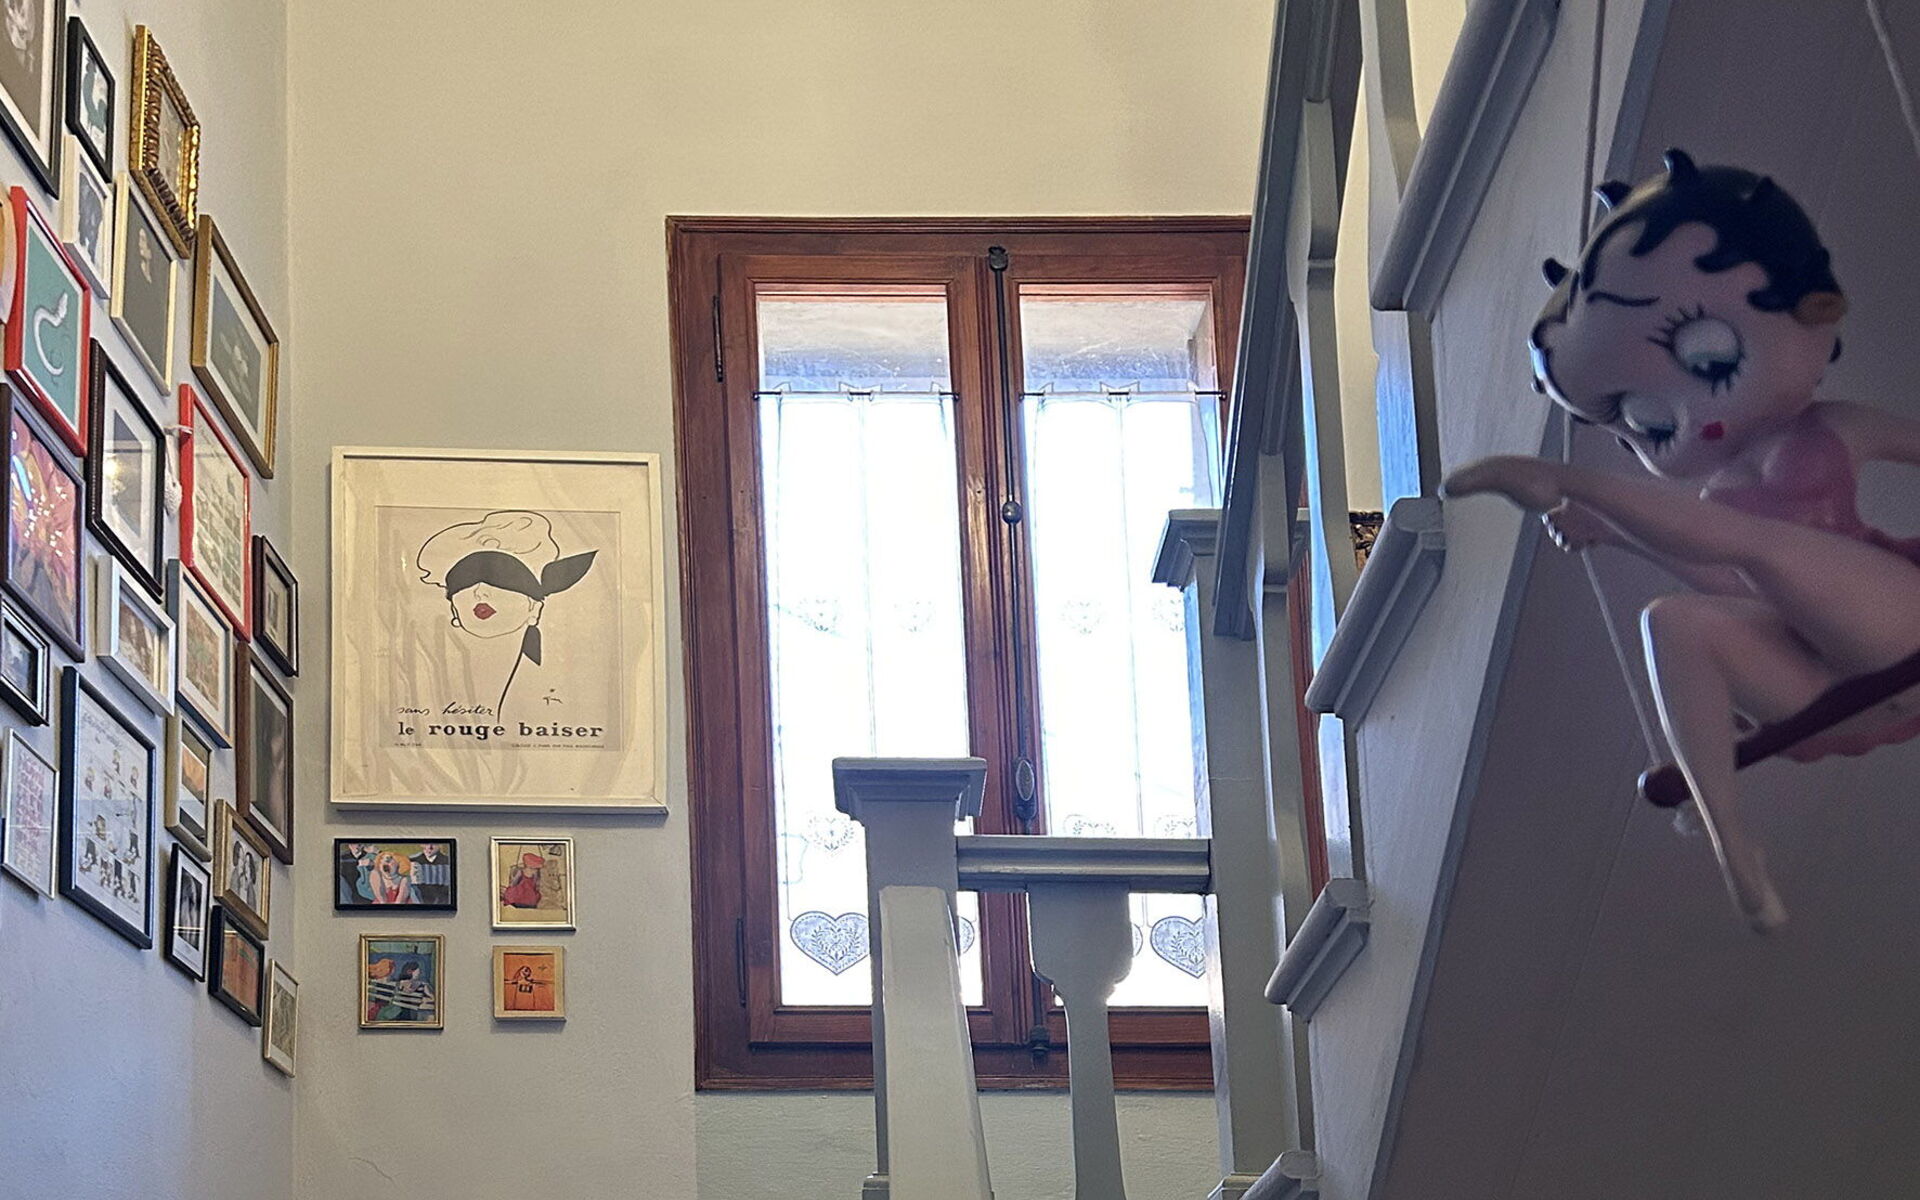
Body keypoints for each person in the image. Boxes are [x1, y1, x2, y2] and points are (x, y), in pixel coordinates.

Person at [1446, 150, 1920, 931]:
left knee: (1754, 544)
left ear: (1812, 308)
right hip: (1828, 688)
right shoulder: (1718, 507)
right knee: (1670, 620)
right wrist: (1615, 536)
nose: (1694, 421)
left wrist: (1586, 497)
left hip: (1898, 621)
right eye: (1647, 422)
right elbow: (1735, 583)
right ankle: (1730, 838)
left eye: (1708, 358)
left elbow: (1746, 551)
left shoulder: (1833, 430)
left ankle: (1553, 476)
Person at [414, 511, 596, 719]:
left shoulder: (558, 683)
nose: (480, 591)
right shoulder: (427, 674)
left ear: (535, 608)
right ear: (453, 608)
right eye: (464, 581)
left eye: (501, 580)